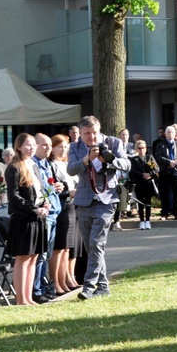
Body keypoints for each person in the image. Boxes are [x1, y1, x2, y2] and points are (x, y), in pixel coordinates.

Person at [67, 116, 130, 300]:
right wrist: (86, 159)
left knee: (97, 243)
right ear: (81, 133)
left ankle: (88, 286)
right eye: (86, 134)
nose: (91, 137)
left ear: (99, 130)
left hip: (106, 200)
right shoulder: (75, 147)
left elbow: (127, 164)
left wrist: (108, 161)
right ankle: (103, 287)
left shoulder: (113, 142)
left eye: (94, 133)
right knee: (91, 246)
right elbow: (71, 169)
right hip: (84, 200)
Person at [5, 133, 50, 306]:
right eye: (28, 145)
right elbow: (14, 196)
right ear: (19, 147)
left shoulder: (34, 166)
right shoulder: (14, 168)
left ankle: (29, 297)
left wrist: (45, 203)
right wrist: (34, 209)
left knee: (33, 258)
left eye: (33, 145)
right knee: (23, 259)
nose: (31, 148)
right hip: (23, 219)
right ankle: (21, 299)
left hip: (37, 217)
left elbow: (39, 191)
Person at [31, 133, 64, 303]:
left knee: (47, 254)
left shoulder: (47, 164)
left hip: (54, 212)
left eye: (50, 145)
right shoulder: (33, 165)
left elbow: (50, 187)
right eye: (44, 145)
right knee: (41, 254)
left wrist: (58, 186)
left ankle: (43, 287)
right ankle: (36, 290)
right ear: (35, 145)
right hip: (44, 214)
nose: (48, 148)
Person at [48, 134, 78, 293]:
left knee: (67, 248)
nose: (63, 149)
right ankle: (56, 282)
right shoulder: (51, 165)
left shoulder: (68, 164)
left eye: (66, 146)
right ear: (52, 148)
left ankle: (66, 279)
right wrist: (68, 192)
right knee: (58, 248)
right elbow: (52, 190)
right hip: (60, 208)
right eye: (59, 146)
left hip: (72, 208)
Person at [155, 126, 177, 220]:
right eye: (168, 132)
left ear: (175, 134)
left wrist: (175, 162)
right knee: (164, 193)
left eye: (172, 132)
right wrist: (169, 162)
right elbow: (158, 157)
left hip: (176, 172)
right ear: (165, 134)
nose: (170, 134)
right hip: (164, 172)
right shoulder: (160, 144)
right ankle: (165, 213)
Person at [130, 140, 159, 229]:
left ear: (146, 148)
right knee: (141, 203)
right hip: (139, 184)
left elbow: (157, 168)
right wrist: (142, 175)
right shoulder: (134, 159)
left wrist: (150, 174)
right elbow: (132, 171)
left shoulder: (150, 157)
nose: (141, 150)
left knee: (148, 202)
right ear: (136, 149)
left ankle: (148, 221)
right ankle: (141, 221)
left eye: (143, 148)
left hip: (148, 183)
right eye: (139, 148)